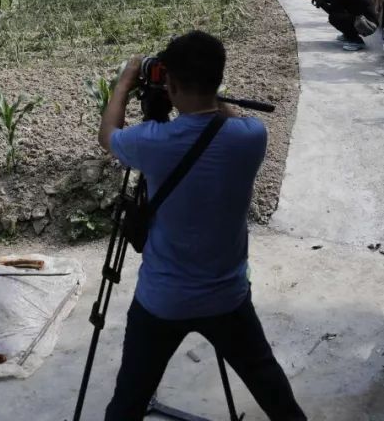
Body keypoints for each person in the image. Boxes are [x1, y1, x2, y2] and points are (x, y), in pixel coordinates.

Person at [98, 31, 306, 421]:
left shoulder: (152, 142)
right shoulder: (252, 138)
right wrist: (211, 98)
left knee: (128, 400)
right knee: (269, 383)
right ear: (217, 80)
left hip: (162, 301)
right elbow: (223, 118)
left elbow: (107, 135)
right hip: (227, 297)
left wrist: (126, 81)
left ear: (170, 83)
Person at [302, 0, 379, 51]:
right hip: (366, 20)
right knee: (340, 15)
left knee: (334, 18)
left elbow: (331, 10)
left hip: (369, 25)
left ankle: (356, 41)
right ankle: (348, 34)